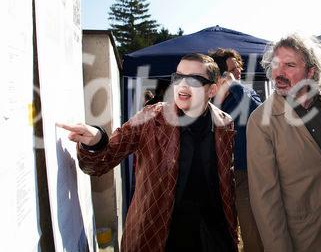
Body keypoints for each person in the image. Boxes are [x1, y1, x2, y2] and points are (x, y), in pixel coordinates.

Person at [58, 53, 238, 252]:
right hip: (158, 235)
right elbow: (100, 162)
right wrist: (97, 141)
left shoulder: (225, 123)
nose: (183, 86)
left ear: (212, 89)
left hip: (212, 236)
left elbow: (226, 185)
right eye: (178, 77)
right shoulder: (150, 118)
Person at [247, 34, 321, 252]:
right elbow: (265, 201)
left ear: (311, 72)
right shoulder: (260, 121)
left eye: (290, 65)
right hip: (304, 239)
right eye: (276, 65)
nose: (279, 73)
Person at [210, 48, 264, 252]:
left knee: (250, 227)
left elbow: (263, 115)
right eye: (233, 68)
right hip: (220, 174)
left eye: (238, 65)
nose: (239, 70)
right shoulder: (210, 100)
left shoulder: (242, 92)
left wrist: (237, 86)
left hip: (245, 170)